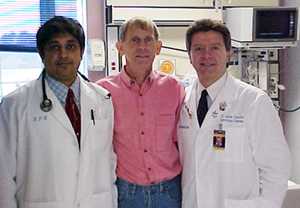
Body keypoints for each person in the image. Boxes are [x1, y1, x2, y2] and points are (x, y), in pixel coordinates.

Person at [0, 16, 117, 208]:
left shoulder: (103, 99)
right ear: (41, 53)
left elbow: (109, 164)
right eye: (54, 47)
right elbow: (3, 176)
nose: (63, 55)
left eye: (71, 46)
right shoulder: (14, 105)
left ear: (81, 52)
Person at [177, 19, 290, 208]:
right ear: (189, 56)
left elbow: (276, 168)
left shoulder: (253, 101)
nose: (207, 55)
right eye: (198, 49)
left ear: (228, 53)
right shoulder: (182, 101)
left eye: (215, 47)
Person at [97, 17, 185, 208]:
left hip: (169, 191)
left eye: (148, 40)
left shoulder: (174, 88)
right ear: (120, 47)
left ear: (158, 47)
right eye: (135, 40)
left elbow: (183, 140)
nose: (142, 47)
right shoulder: (102, 92)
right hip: (127, 192)